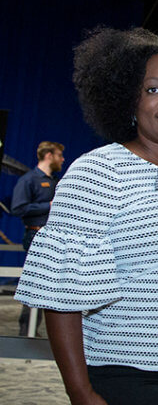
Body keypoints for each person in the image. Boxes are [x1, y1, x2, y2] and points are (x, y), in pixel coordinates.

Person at [15, 27, 158, 405]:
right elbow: (61, 296)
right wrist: (80, 391)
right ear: (127, 100)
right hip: (130, 376)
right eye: (153, 89)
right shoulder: (98, 171)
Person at [11, 140, 64, 335]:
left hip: (54, 237)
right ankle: (27, 330)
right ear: (49, 155)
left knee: (50, 286)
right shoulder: (29, 180)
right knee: (34, 284)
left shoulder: (56, 182)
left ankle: (39, 329)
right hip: (35, 235)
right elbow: (18, 208)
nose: (62, 159)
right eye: (59, 155)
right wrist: (47, 206)